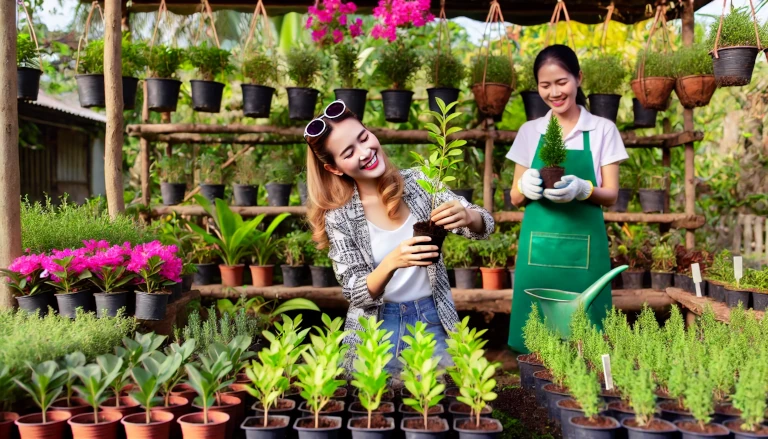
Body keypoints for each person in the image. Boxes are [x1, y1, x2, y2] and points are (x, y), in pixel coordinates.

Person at [304, 100, 494, 376]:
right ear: (335, 168)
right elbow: (355, 291)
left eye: (363, 137)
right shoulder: (340, 217)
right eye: (349, 152)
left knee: (442, 405)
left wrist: (467, 215)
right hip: (380, 326)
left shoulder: (419, 182)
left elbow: (485, 224)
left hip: (433, 318)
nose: (365, 151)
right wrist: (392, 261)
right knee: (376, 411)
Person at [505, 45, 628, 352]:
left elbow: (611, 194)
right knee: (535, 337)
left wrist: (584, 189)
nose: (554, 92)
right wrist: (525, 185)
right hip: (538, 256)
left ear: (578, 78)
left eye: (561, 82)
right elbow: (515, 197)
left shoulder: (602, 130)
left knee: (588, 339)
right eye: (545, 85)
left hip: (586, 257)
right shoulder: (530, 131)